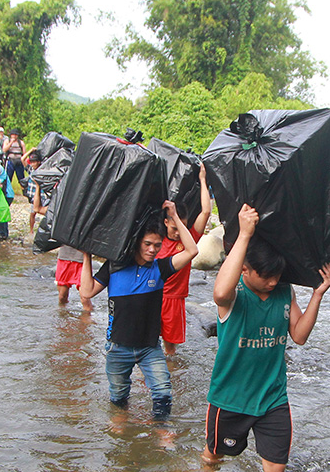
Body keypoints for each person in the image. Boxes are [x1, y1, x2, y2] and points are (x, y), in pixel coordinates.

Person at [201, 204, 330, 472]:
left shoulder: (284, 292)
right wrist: (245, 234)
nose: (273, 281)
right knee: (214, 456)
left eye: (277, 275)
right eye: (266, 276)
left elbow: (299, 335)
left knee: (275, 469)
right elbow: (220, 292)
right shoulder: (234, 298)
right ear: (245, 269)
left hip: (273, 398)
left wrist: (317, 294)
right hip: (230, 399)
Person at [78, 201, 199, 420]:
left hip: (149, 348)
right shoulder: (114, 267)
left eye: (157, 244)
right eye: (147, 244)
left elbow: (192, 250)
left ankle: (161, 431)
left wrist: (174, 216)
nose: (153, 250)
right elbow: (86, 291)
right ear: (136, 243)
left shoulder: (160, 269)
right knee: (118, 398)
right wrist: (86, 255)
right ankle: (121, 431)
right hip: (117, 347)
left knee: (163, 393)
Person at [157, 163, 212, 356]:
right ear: (165, 222)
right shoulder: (155, 241)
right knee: (145, 345)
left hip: (175, 300)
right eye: (173, 228)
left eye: (180, 228)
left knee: (170, 350)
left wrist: (203, 180)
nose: (177, 233)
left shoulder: (188, 239)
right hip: (152, 296)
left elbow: (205, 212)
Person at [55, 245, 93, 312]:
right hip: (64, 257)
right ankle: (62, 318)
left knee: (85, 298)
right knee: (62, 297)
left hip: (83, 260)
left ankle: (87, 320)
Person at [23, 149, 43, 231]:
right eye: (31, 162)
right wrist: (30, 150)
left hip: (41, 194)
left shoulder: (42, 170)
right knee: (32, 213)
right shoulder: (31, 170)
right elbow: (22, 159)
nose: (33, 164)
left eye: (34, 162)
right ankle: (31, 230)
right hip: (33, 194)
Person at [3, 128, 27, 199]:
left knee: (21, 178)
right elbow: (4, 149)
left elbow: (24, 153)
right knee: (8, 177)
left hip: (19, 161)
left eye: (15, 135)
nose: (14, 136)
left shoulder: (21, 143)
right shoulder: (7, 141)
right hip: (10, 160)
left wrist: (24, 162)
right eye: (13, 135)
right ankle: (7, 192)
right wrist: (11, 143)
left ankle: (25, 192)